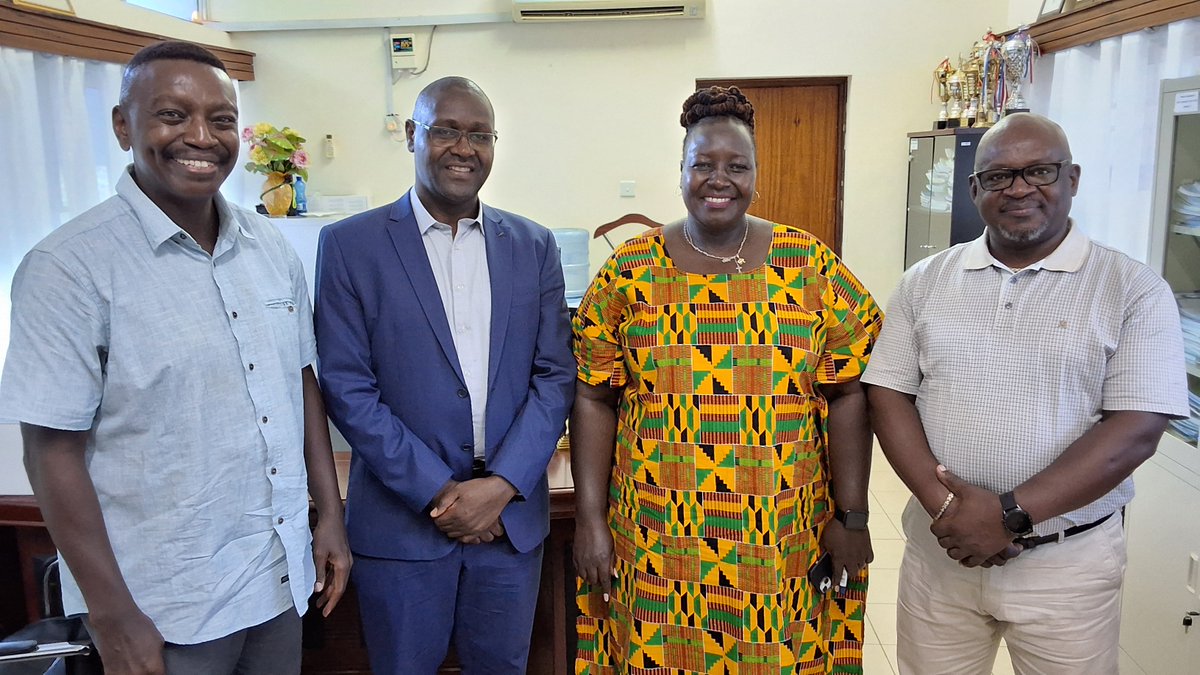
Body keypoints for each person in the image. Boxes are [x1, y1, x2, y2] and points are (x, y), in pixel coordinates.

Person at [0, 41, 351, 674]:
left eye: (220, 119)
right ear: (122, 125)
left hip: (275, 578)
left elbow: (300, 382)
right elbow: (51, 451)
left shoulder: (269, 246)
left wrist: (328, 518)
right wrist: (112, 616)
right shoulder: (68, 268)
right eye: (171, 114)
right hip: (161, 604)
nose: (201, 136)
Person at [861, 113, 1189, 675]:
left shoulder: (1131, 288)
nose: (1019, 189)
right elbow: (888, 395)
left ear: (1072, 179)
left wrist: (1010, 515)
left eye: (1038, 171)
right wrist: (950, 511)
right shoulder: (925, 281)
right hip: (943, 556)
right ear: (975, 189)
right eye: (999, 177)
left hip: (1067, 565)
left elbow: (1135, 430)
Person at [571, 85, 882, 674]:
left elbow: (850, 393)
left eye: (737, 166)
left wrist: (852, 516)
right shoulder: (630, 271)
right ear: (681, 171)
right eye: (703, 164)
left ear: (756, 174)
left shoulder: (808, 264)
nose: (720, 179)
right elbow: (592, 393)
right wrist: (590, 520)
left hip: (782, 534)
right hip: (657, 535)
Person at [313, 76, 575, 674]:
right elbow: (348, 388)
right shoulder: (351, 246)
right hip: (403, 528)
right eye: (447, 130)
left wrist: (501, 488)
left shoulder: (534, 245)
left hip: (509, 530)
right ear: (412, 135)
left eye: (480, 135)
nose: (465, 148)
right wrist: (444, 495)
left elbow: (555, 375)